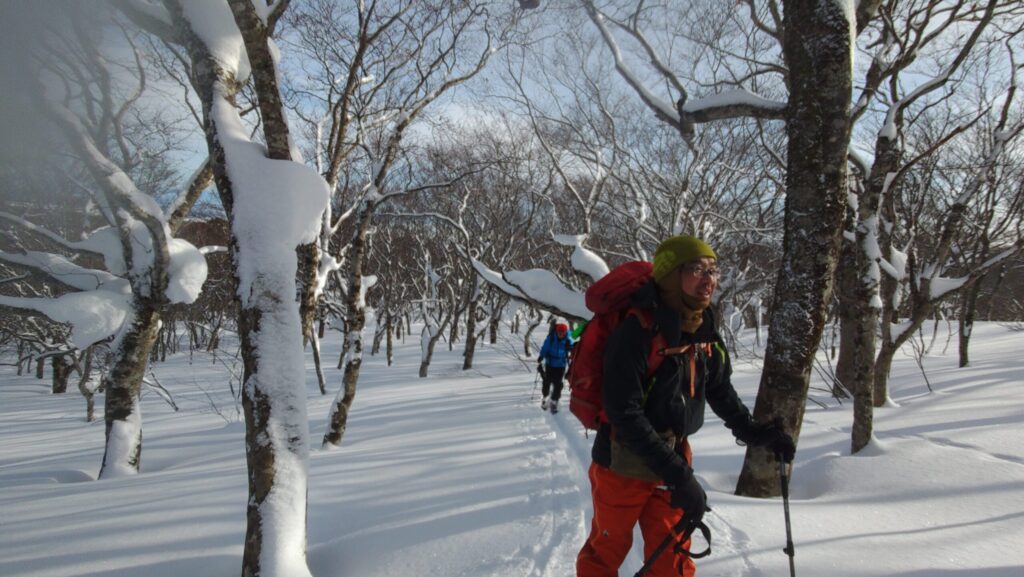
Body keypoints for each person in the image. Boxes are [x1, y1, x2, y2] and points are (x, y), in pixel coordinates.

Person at [576, 235, 795, 577]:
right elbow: (624, 412)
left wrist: (753, 432)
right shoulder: (636, 330)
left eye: (713, 269)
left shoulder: (703, 324)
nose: (709, 279)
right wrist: (678, 474)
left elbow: (718, 386)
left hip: (674, 454)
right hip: (621, 461)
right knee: (605, 552)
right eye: (696, 269)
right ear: (670, 275)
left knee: (673, 556)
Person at [538, 320, 572, 413]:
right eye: (559, 333)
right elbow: (545, 347)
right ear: (556, 332)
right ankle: (545, 397)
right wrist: (541, 356)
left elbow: (573, 346)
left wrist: (571, 347)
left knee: (558, 384)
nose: (561, 334)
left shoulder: (568, 339)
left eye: (563, 333)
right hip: (550, 364)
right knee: (547, 381)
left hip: (561, 365)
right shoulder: (551, 338)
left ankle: (554, 401)